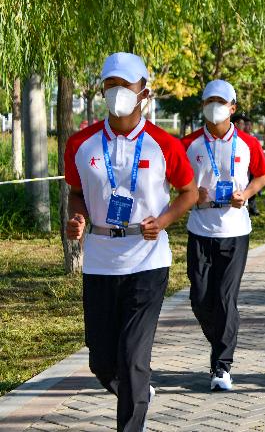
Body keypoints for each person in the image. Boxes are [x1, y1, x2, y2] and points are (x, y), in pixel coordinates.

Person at [64, 52, 197, 431]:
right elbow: (76, 193)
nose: (116, 91)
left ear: (144, 93)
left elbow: (189, 192)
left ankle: (133, 414)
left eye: (125, 84)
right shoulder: (81, 143)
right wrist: (78, 218)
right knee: (102, 362)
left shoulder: (164, 144)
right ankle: (136, 391)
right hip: (100, 260)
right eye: (110, 84)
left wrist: (163, 221)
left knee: (133, 356)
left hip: (147, 259)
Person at [181, 80, 265, 391]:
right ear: (202, 106)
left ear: (232, 107)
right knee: (200, 299)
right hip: (200, 229)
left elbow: (262, 174)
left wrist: (246, 193)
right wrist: (193, 194)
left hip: (235, 230)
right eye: (209, 101)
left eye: (220, 101)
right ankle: (221, 340)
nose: (214, 107)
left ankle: (222, 366)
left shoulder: (248, 143)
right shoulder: (189, 144)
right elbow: (173, 181)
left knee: (224, 298)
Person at [231, 112, 261, 216]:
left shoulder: (249, 139)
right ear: (236, 124)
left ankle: (251, 207)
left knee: (249, 186)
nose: (244, 126)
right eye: (242, 123)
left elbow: (263, 175)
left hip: (249, 170)